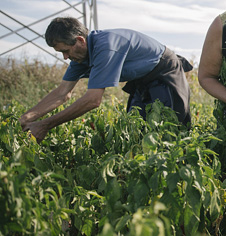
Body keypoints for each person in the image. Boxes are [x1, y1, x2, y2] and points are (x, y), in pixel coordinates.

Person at [19, 17, 194, 142]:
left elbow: (92, 100)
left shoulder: (107, 47)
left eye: (65, 51)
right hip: (141, 80)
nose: (65, 57)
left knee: (169, 131)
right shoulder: (80, 56)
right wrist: (26, 118)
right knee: (137, 132)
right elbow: (62, 93)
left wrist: (45, 125)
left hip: (164, 72)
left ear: (80, 40)